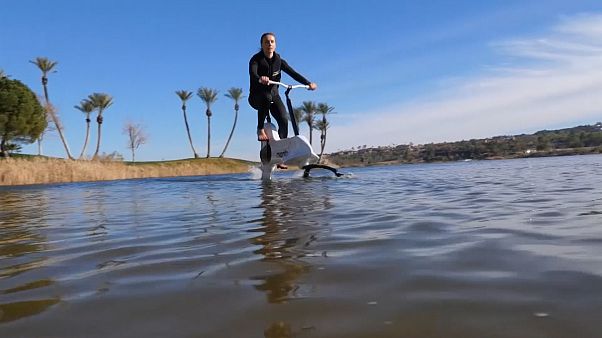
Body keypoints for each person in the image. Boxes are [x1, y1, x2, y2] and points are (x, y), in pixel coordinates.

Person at [248, 32, 317, 145]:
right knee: (266, 96)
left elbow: (293, 73)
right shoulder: (255, 60)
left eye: (272, 41)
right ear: (262, 45)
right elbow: (252, 74)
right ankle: (260, 129)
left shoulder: (279, 61)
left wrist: (308, 83)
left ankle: (282, 149)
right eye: (266, 42)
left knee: (284, 119)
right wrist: (260, 78)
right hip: (256, 97)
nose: (269, 44)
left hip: (274, 96)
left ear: (275, 44)